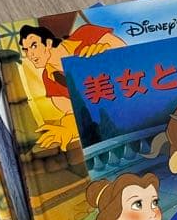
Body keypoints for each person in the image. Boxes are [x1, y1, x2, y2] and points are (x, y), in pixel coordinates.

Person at [18, 22, 125, 150]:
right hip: (111, 121)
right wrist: (67, 129)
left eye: (34, 46)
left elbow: (127, 53)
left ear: (48, 43)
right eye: (26, 50)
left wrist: (106, 53)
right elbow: (71, 112)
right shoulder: (49, 78)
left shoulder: (85, 35)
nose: (30, 54)